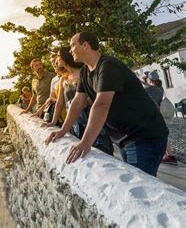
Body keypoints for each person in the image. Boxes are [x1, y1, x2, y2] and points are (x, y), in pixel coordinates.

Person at [46, 32, 169, 177]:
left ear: (85, 45)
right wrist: (63, 130)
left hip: (144, 136)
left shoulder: (108, 66)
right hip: (125, 139)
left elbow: (101, 105)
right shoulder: (85, 72)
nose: (70, 49)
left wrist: (86, 142)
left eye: (73, 45)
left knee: (140, 185)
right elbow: (77, 102)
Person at [43, 47, 113, 155]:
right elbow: (60, 103)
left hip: (89, 116)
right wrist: (53, 122)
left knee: (100, 147)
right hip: (74, 120)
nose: (56, 60)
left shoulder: (83, 73)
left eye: (58, 57)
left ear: (66, 58)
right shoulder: (63, 79)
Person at [144, 72, 178, 165]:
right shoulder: (160, 88)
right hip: (160, 115)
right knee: (163, 135)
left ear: (149, 80)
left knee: (155, 135)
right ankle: (169, 156)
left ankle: (164, 155)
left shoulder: (149, 89)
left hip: (153, 115)